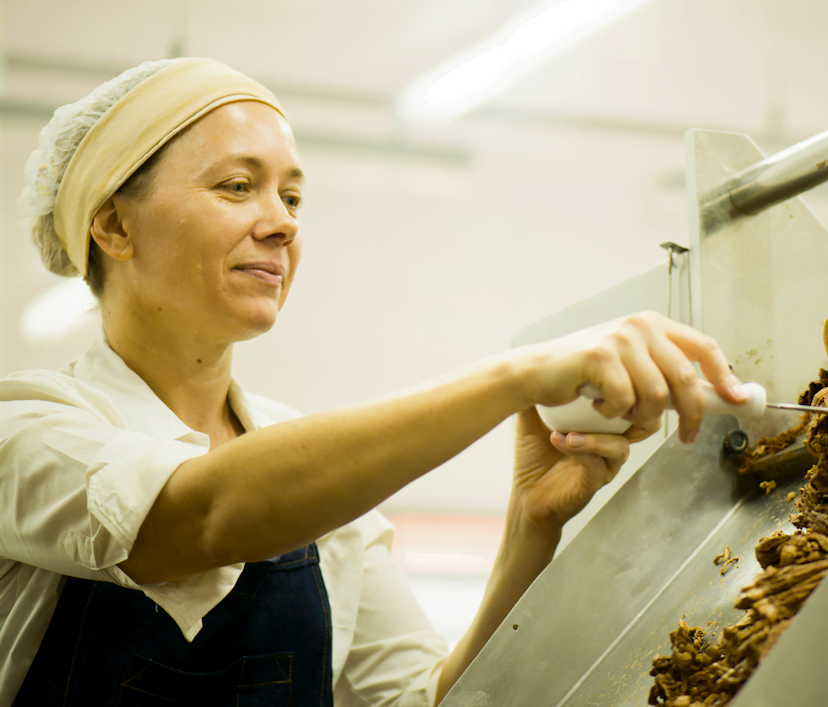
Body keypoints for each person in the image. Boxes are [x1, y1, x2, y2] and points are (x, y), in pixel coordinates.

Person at [0, 58, 746, 706]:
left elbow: (430, 700)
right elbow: (202, 514)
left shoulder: (323, 486)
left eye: (292, 198)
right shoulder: (30, 429)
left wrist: (531, 526)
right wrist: (512, 375)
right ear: (114, 227)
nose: (282, 224)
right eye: (236, 187)